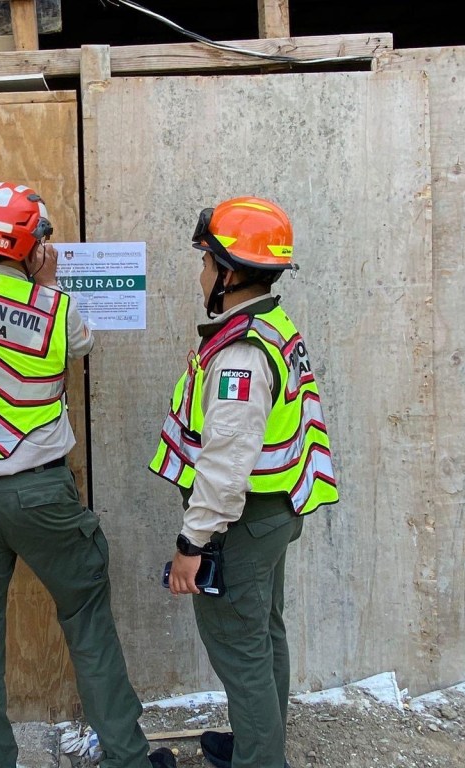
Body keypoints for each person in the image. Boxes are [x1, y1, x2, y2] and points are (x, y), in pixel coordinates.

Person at [0, 181, 175, 768]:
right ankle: (128, 759)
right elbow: (78, 344)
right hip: (41, 494)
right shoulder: (56, 311)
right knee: (87, 620)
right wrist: (37, 278)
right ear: (36, 246)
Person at [150, 197, 339, 768]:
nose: (201, 272)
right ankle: (260, 744)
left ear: (229, 273)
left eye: (206, 261)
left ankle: (260, 760)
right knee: (263, 635)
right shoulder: (268, 325)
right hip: (272, 513)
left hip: (240, 522)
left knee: (239, 647)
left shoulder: (239, 353)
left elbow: (225, 467)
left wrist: (192, 545)